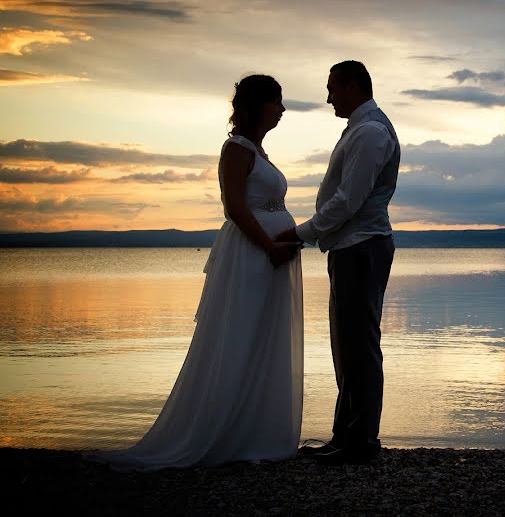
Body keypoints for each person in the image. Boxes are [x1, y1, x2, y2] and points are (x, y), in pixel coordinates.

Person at [86, 75, 304, 470]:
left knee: (265, 338)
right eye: (277, 102)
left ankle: (258, 432)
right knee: (241, 335)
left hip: (273, 256)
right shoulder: (236, 149)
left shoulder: (260, 151)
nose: (283, 109)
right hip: (253, 256)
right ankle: (226, 434)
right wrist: (270, 245)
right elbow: (234, 208)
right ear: (257, 105)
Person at [281, 60, 400, 465]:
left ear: (353, 86)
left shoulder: (369, 133)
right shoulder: (362, 129)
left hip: (361, 246)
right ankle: (347, 436)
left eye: (333, 88)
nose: (329, 97)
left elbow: (349, 201)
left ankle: (360, 441)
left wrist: (301, 233)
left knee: (358, 346)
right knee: (347, 344)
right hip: (354, 246)